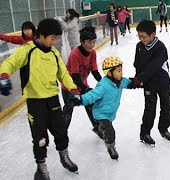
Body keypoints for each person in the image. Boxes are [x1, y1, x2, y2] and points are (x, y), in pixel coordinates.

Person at [0, 18, 79, 180]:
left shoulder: (54, 53)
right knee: (40, 137)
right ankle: (41, 166)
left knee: (61, 131)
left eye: (56, 38)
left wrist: (73, 89)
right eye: (52, 38)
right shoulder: (27, 50)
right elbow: (10, 63)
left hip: (53, 99)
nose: (54, 41)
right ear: (41, 35)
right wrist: (4, 76)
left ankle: (64, 156)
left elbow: (63, 74)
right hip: (35, 102)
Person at [72, 56, 133, 160]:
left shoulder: (120, 81)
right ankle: (111, 148)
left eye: (121, 70)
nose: (121, 73)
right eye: (118, 71)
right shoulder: (103, 86)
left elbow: (128, 82)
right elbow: (92, 95)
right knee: (110, 132)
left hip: (110, 113)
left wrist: (137, 82)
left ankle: (100, 128)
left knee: (105, 127)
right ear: (109, 73)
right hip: (101, 113)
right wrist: (80, 99)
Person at [132, 20, 170, 146]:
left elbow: (154, 66)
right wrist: (137, 77)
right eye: (139, 36)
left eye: (144, 36)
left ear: (153, 35)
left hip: (162, 81)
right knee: (150, 108)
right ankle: (145, 133)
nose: (141, 39)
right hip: (148, 82)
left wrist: (141, 78)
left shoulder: (160, 47)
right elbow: (137, 64)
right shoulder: (139, 46)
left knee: (166, 106)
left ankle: (163, 129)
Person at [61, 26, 103, 138]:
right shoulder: (75, 54)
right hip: (69, 87)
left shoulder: (92, 53)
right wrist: (85, 89)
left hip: (83, 84)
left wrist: (104, 82)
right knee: (69, 109)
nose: (92, 45)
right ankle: (61, 133)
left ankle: (97, 128)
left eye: (94, 42)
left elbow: (94, 71)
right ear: (82, 41)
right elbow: (74, 76)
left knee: (91, 105)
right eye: (89, 42)